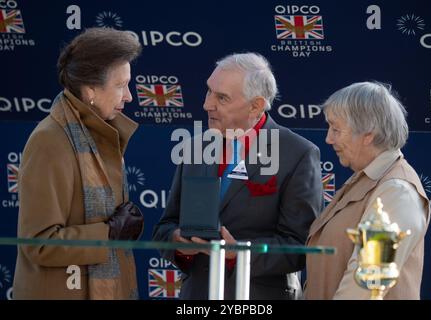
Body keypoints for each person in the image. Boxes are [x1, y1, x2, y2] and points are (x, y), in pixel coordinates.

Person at [152, 52, 323, 299]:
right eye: (209, 91)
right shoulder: (194, 148)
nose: (207, 104)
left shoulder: (297, 154)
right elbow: (165, 227)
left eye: (221, 97)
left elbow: (299, 247)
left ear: (256, 105)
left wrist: (238, 253)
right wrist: (179, 242)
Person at [13, 27, 144, 300]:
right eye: (120, 85)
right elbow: (38, 244)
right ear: (90, 89)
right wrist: (108, 233)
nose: (129, 96)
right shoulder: (50, 141)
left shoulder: (101, 134)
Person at [305, 82, 430, 300]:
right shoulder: (369, 179)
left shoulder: (396, 191)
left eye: (336, 129)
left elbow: (366, 283)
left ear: (368, 134)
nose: (328, 139)